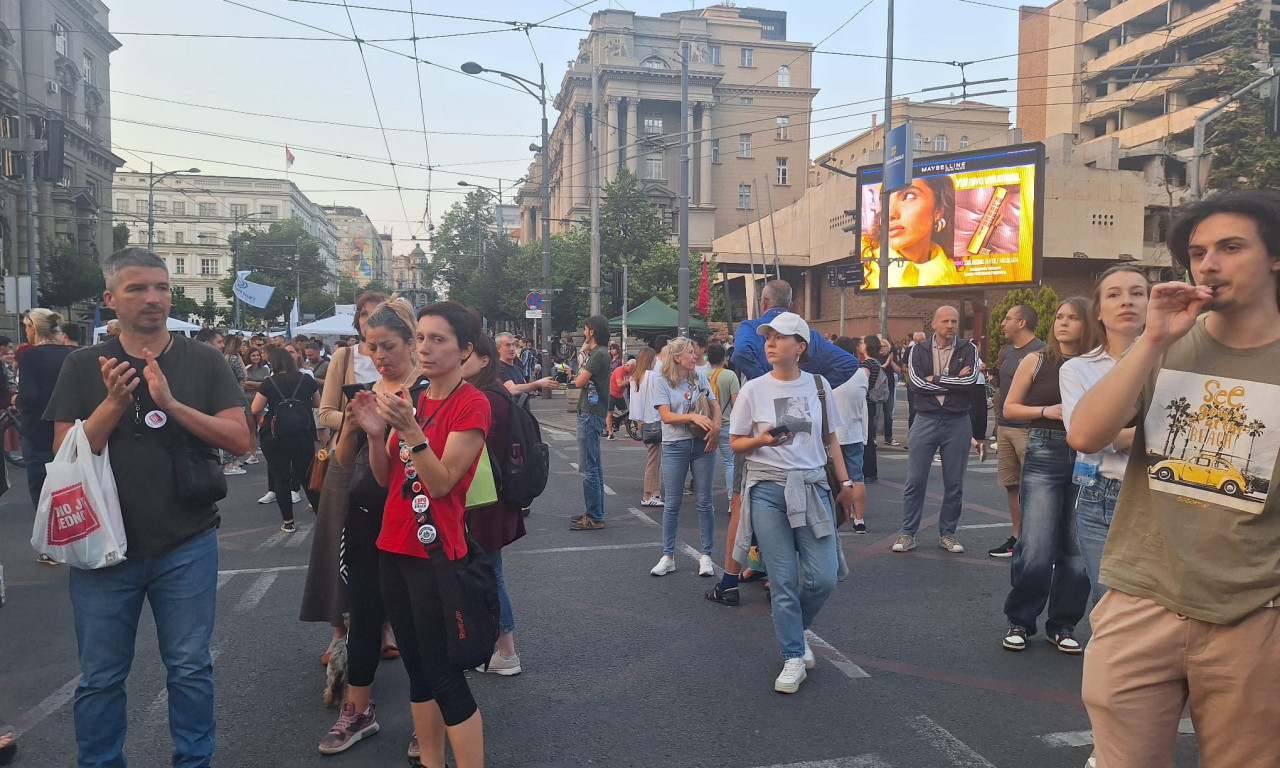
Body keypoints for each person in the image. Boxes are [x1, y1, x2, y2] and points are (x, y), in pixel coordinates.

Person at [1069, 192, 1280, 767]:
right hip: (1141, 598)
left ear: (1274, 258)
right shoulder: (1168, 344)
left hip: (1252, 614)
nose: (1208, 264)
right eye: (1197, 252)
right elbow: (1085, 435)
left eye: (1231, 248)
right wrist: (1154, 339)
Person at [44, 247, 250, 768]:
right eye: (137, 288)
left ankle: (193, 761)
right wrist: (114, 402)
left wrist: (173, 405)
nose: (153, 297)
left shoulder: (202, 360)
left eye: (160, 286)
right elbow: (64, 453)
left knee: (188, 667)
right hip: (103, 549)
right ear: (111, 299)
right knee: (101, 676)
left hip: (187, 541)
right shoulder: (82, 364)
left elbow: (240, 439)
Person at [348, 300, 490, 768]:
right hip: (392, 546)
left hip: (435, 555)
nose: (426, 349)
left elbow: (444, 481)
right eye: (423, 338)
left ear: (464, 349)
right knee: (417, 671)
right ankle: (430, 762)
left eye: (439, 339)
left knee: (445, 675)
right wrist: (374, 434)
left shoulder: (472, 403)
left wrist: (410, 431)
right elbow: (388, 479)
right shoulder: (418, 397)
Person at [709, 280, 860, 606]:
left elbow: (743, 353)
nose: (772, 342)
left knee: (741, 504)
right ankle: (766, 567)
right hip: (799, 423)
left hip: (763, 425)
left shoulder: (752, 327)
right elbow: (849, 364)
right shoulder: (809, 335)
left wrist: (775, 383)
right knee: (793, 503)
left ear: (764, 301)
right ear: (790, 303)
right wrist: (805, 387)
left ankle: (729, 582)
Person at [728, 312, 855, 693]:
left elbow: (831, 439)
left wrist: (846, 482)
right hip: (767, 488)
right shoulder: (754, 389)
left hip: (814, 487)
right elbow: (735, 442)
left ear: (800, 347)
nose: (770, 342)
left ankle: (795, 632)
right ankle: (793, 656)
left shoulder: (818, 386)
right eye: (768, 337)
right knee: (782, 579)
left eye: (780, 337)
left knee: (823, 577)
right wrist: (762, 441)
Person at [320, 298, 424, 755]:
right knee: (364, 617)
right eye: (371, 347)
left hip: (416, 515)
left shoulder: (426, 389)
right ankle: (358, 711)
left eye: (387, 346)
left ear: (410, 343)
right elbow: (344, 463)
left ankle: (430, 718)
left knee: (420, 619)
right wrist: (351, 425)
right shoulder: (369, 389)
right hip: (365, 515)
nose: (379, 356)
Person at [999, 297, 1093, 654]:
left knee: (1076, 550)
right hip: (1045, 448)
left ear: (1089, 324)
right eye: (1059, 317)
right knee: (1035, 545)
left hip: (1089, 456)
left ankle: (1063, 624)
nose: (1063, 323)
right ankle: (1020, 622)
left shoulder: (1097, 363)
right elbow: (1010, 408)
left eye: (1073, 318)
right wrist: (1045, 410)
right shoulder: (1036, 360)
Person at [302, 291, 388, 668]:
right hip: (346, 457)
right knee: (337, 542)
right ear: (357, 322)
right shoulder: (344, 356)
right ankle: (338, 632)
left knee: (382, 545)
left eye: (379, 315)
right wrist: (355, 419)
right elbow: (325, 412)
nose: (371, 321)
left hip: (385, 456)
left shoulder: (402, 357)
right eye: (366, 316)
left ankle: (382, 629)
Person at [1060, 265, 1149, 606]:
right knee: (1109, 610)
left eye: (1137, 293)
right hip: (1103, 495)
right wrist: (1148, 433)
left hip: (1164, 493)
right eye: (1114, 294)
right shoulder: (1078, 369)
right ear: (1098, 311)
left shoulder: (1174, 361)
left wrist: (1115, 432)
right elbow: (1087, 439)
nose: (1127, 301)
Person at [462, 334, 526, 676]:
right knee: (492, 571)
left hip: (484, 497)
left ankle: (506, 651)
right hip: (499, 496)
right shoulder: (499, 393)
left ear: (485, 360)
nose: (458, 360)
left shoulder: (483, 398)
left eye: (466, 354)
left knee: (491, 574)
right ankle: (502, 649)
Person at [893, 305, 980, 554]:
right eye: (945, 321)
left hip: (957, 421)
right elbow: (917, 384)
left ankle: (948, 534)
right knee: (915, 481)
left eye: (954, 321)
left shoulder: (969, 348)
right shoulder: (918, 350)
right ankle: (907, 533)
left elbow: (970, 381)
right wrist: (951, 382)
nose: (950, 325)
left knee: (954, 483)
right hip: (925, 419)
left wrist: (937, 379)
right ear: (934, 324)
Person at [648, 337, 721, 577]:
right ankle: (668, 556)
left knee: (705, 501)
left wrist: (716, 429)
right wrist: (692, 418)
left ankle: (706, 556)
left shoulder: (699, 378)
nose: (696, 355)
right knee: (672, 504)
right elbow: (666, 416)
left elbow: (715, 404)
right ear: (677, 357)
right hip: (675, 445)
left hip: (702, 444)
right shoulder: (661, 382)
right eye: (691, 352)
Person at [986, 305, 1046, 558]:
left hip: (1029, 429)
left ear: (1022, 323)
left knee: (1037, 488)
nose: (1002, 323)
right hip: (1005, 427)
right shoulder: (1007, 352)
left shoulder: (1043, 352)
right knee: (1012, 485)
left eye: (1008, 318)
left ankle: (1042, 544)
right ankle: (1018, 538)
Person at [251, 347, 321, 532]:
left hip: (275, 435)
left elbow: (255, 408)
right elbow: (317, 402)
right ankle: (322, 519)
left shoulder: (269, 382)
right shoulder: (306, 379)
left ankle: (288, 522)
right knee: (307, 477)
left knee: (280, 477)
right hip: (302, 433)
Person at [15, 309, 73, 525]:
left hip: (38, 431)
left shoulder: (29, 355)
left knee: (42, 488)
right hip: (68, 430)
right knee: (69, 486)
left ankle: (49, 542)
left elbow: (29, 397)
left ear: (32, 328)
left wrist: (16, 402)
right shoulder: (71, 353)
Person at [860, 176, 960, 289]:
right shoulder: (863, 262)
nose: (890, 214)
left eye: (909, 196)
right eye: (885, 201)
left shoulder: (959, 274)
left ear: (938, 211)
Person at [569, 315, 611, 531]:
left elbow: (579, 381)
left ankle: (595, 515)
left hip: (590, 412)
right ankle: (595, 511)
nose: (584, 332)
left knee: (588, 467)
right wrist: (585, 347)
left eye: (586, 329)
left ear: (592, 331)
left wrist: (578, 374)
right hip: (593, 411)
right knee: (593, 465)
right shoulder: (600, 353)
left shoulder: (599, 354)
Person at [832, 337, 870, 533]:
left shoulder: (829, 374)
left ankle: (833, 517)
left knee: (829, 477)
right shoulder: (862, 374)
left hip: (832, 434)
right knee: (857, 478)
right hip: (854, 432)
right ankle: (860, 520)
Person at [629, 346, 663, 508]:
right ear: (650, 360)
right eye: (655, 358)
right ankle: (647, 495)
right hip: (654, 421)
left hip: (642, 423)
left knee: (655, 459)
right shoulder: (652, 376)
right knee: (653, 461)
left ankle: (656, 493)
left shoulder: (635, 377)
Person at [706, 343, 740, 501]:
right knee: (730, 463)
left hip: (705, 426)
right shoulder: (730, 376)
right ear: (724, 358)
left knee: (704, 463)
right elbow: (736, 402)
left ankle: (704, 498)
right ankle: (731, 500)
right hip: (726, 425)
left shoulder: (702, 375)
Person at [222, 334, 259, 467]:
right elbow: (243, 376)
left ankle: (234, 460)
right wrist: (242, 362)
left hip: (230, 393)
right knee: (237, 426)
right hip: (236, 394)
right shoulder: (233, 358)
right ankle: (229, 461)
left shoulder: (224, 357)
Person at [496, 332, 554, 398]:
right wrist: (538, 383)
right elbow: (512, 389)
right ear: (498, 349)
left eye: (514, 345)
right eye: (507, 345)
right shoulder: (497, 368)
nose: (512, 349)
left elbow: (524, 389)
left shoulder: (518, 369)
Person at [860, 336, 884, 483]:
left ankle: (868, 471)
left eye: (863, 343)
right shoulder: (876, 362)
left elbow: (862, 380)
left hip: (867, 402)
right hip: (872, 403)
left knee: (866, 437)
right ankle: (871, 471)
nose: (860, 345)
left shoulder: (868, 363)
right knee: (869, 437)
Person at [876, 337, 901, 446]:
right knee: (875, 414)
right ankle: (873, 438)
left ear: (888, 348)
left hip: (889, 388)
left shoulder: (891, 357)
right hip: (877, 390)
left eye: (884, 346)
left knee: (888, 414)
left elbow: (898, 370)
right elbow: (880, 368)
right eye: (880, 346)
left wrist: (891, 362)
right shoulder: (875, 358)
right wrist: (886, 362)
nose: (882, 348)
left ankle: (888, 437)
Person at [605, 356, 635, 440]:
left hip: (620, 395)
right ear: (627, 365)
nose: (631, 371)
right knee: (609, 413)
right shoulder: (619, 370)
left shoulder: (630, 372)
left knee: (625, 413)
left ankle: (627, 431)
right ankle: (610, 433)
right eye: (631, 369)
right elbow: (620, 384)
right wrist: (630, 380)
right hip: (611, 393)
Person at [904, 330, 927, 430]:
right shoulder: (909, 350)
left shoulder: (929, 351)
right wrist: (914, 373)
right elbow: (904, 367)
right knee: (913, 410)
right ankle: (912, 435)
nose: (918, 344)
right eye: (916, 341)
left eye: (921, 341)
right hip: (913, 384)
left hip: (927, 384)